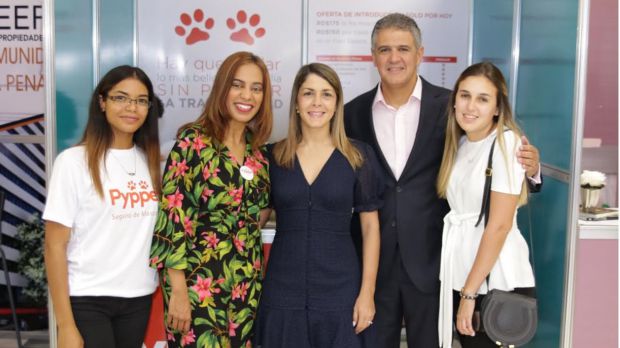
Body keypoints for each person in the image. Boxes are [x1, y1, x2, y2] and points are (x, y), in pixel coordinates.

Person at [343, 13, 542, 347]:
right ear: (373, 56)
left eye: (404, 49)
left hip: (435, 264)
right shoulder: (351, 114)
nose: (395, 58)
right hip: (375, 266)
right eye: (385, 49)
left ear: (420, 54)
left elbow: (494, 148)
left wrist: (532, 168)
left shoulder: (452, 106)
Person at [149, 51, 272, 347]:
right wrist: (177, 291)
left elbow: (262, 206)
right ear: (222, 88)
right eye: (238, 85)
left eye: (256, 88)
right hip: (197, 285)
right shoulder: (193, 142)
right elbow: (173, 218)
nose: (247, 95)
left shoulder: (258, 152)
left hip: (245, 286)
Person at [255, 63, 383, 347]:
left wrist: (367, 293)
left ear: (337, 104)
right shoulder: (273, 157)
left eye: (326, 94)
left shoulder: (358, 156)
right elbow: (255, 222)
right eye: (308, 93)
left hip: (341, 291)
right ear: (297, 103)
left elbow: (371, 228)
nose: (317, 102)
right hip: (282, 289)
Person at [43, 65, 162, 348]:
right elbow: (54, 246)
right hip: (88, 298)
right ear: (102, 102)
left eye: (141, 100)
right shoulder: (73, 162)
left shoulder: (152, 164)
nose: (131, 107)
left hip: (138, 296)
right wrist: (65, 325)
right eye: (121, 97)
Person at [436, 61, 536, 347]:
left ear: (497, 108)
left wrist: (469, 294)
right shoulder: (463, 144)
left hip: (495, 282)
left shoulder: (506, 143)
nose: (470, 106)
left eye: (482, 99)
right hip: (467, 274)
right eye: (465, 95)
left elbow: (499, 225)